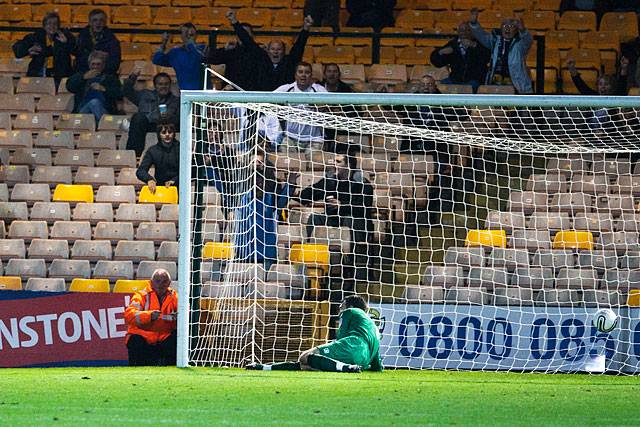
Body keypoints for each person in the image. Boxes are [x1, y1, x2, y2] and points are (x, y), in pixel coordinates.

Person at [296, 152, 374, 298]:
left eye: (338, 162)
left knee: (349, 218)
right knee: (314, 217)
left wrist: (341, 206)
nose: (333, 164)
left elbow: (364, 207)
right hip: (332, 223)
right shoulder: (330, 181)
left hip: (354, 225)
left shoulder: (362, 184)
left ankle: (348, 259)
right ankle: (313, 255)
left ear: (348, 166)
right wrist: (302, 192)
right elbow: (306, 195)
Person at [246, 295, 382, 372]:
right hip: (363, 360)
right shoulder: (374, 328)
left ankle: (346, 368)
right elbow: (377, 365)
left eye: (342, 305)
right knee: (308, 366)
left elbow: (341, 337)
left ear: (351, 306)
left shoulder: (351, 312)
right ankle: (263, 367)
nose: (340, 308)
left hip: (352, 346)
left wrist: (334, 345)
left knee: (305, 357)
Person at [234, 149, 293, 270]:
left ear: (264, 164)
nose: (256, 164)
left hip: (266, 247)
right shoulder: (241, 187)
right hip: (245, 248)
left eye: (259, 162)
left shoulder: (271, 187)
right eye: (253, 162)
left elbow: (280, 204)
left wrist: (290, 185)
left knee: (266, 283)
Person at [227, 12, 314, 91]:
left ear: (283, 52)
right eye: (272, 49)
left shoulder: (289, 62)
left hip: (284, 102)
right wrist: (234, 22)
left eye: (279, 49)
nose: (275, 52)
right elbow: (248, 41)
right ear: (267, 50)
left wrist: (306, 28)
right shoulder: (261, 59)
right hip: (261, 101)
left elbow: (299, 46)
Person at [469, 9, 533, 94]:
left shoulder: (520, 44)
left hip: (516, 84)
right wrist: (474, 24)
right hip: (495, 82)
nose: (507, 28)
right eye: (504, 26)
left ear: (516, 30)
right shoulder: (495, 41)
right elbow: (482, 36)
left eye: (511, 26)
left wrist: (523, 30)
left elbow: (528, 40)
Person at [124, 269, 178, 366]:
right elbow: (129, 315)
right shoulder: (141, 296)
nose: (161, 284)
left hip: (163, 339)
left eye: (164, 281)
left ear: (169, 283)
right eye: (157, 281)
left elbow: (184, 315)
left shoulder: (175, 297)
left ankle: (175, 375)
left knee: (176, 339)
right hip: (142, 338)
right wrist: (149, 316)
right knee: (135, 341)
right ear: (151, 282)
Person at [12, 12, 75, 89]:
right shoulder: (36, 36)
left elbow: (75, 50)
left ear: (58, 26)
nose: (52, 26)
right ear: (44, 26)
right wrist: (28, 50)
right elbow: (17, 50)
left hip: (60, 74)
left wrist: (66, 43)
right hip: (39, 73)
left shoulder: (65, 36)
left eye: (55, 24)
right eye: (49, 23)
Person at [274, 62, 327, 152]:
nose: (303, 75)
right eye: (300, 72)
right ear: (295, 75)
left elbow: (332, 106)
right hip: (290, 138)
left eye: (307, 72)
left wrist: (319, 106)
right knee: (285, 163)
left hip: (314, 139)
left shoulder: (319, 90)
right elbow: (267, 98)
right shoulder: (286, 89)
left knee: (315, 165)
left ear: (311, 75)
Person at [124, 71, 179, 156]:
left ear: (170, 85)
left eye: (166, 84)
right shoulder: (144, 95)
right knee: (138, 118)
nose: (163, 86)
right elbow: (126, 91)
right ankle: (133, 155)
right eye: (160, 84)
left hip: (165, 128)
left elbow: (180, 120)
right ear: (155, 85)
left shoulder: (176, 101)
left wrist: (169, 118)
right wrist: (133, 76)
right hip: (146, 126)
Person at [429, 21, 490, 93]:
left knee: (472, 87)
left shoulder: (479, 43)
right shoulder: (453, 44)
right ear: (458, 32)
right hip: (454, 79)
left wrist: (474, 46)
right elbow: (436, 62)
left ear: (472, 32)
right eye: (461, 30)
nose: (463, 32)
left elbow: (487, 57)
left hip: (475, 80)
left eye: (467, 30)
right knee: (440, 86)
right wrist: (440, 52)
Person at [207, 11, 260, 90]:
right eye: (239, 34)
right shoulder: (231, 51)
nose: (242, 37)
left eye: (245, 34)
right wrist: (224, 50)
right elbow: (211, 59)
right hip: (230, 93)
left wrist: (234, 21)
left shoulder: (257, 52)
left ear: (252, 36)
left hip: (250, 93)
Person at [66, 51, 121, 122]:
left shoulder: (111, 78)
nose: (95, 67)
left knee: (95, 103)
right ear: (89, 65)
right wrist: (83, 77)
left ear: (103, 65)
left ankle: (104, 126)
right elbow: (69, 87)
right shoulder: (81, 76)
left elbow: (119, 94)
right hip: (83, 109)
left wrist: (103, 89)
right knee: (93, 103)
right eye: (93, 64)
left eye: (98, 64)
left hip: (104, 110)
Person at [153, 23, 206, 90]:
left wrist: (190, 43)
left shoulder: (203, 48)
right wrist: (163, 44)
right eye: (185, 33)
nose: (188, 36)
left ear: (196, 35)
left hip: (203, 93)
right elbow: (157, 60)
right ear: (181, 36)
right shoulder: (176, 52)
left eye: (191, 34)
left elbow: (199, 58)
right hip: (185, 93)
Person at [136, 122, 180, 193]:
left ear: (174, 134)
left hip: (180, 188)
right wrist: (149, 179)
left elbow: (192, 171)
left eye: (170, 132)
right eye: (163, 132)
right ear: (159, 135)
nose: (167, 135)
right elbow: (140, 171)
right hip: (160, 188)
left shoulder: (182, 149)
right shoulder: (153, 150)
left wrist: (174, 180)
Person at [75, 8, 121, 75]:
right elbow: (79, 60)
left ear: (105, 23)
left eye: (101, 20)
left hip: (105, 75)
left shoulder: (112, 40)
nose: (98, 23)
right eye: (95, 20)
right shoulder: (81, 37)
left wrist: (99, 71)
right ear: (90, 22)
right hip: (84, 74)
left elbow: (115, 63)